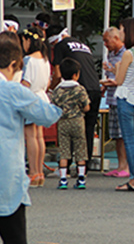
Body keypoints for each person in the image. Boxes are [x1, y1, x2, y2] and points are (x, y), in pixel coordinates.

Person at [0, 31, 62, 244]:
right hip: (7, 179)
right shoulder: (13, 91)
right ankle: (38, 172)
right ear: (14, 64)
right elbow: (48, 116)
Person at [48, 24, 101, 166]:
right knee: (88, 129)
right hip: (95, 88)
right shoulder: (81, 43)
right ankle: (85, 165)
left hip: (77, 89)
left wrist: (50, 89)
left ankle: (68, 163)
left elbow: (58, 74)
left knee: (70, 127)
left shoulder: (60, 45)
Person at [111, 18, 134, 192]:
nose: (120, 33)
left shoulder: (128, 54)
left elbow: (119, 81)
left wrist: (117, 66)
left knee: (129, 141)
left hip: (125, 98)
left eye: (122, 30)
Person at [50, 58, 90, 190]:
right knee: (80, 149)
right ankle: (81, 179)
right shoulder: (80, 89)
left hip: (63, 122)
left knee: (64, 150)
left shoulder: (58, 89)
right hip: (78, 121)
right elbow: (87, 107)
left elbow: (53, 105)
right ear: (76, 75)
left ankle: (62, 180)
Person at [20, 27, 51, 188]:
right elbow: (48, 83)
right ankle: (39, 172)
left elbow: (25, 83)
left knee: (30, 136)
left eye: (24, 41)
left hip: (30, 98)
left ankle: (32, 172)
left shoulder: (28, 60)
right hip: (42, 98)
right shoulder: (45, 60)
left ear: (29, 41)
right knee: (39, 136)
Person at [101, 27, 129, 178]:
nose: (105, 44)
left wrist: (112, 72)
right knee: (117, 135)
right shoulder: (111, 53)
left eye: (107, 40)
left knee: (124, 135)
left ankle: (126, 166)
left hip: (122, 98)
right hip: (112, 98)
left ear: (117, 38)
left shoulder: (126, 54)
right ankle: (120, 165)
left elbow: (123, 78)